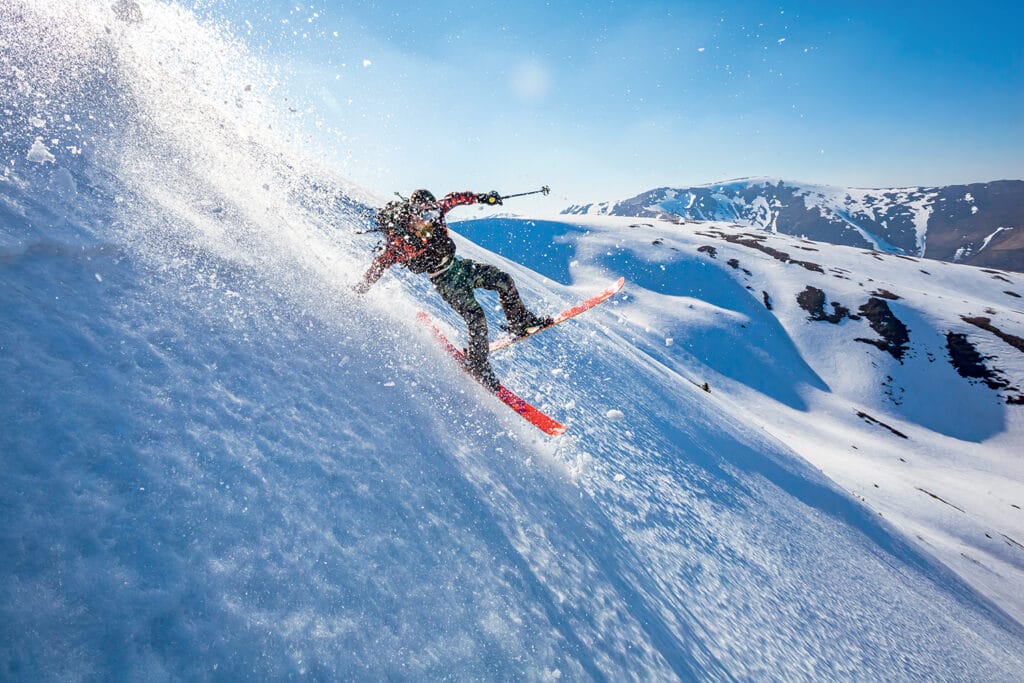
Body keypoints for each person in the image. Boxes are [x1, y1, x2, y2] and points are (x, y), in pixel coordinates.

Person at [354, 189, 551, 391]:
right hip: (445, 281)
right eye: (422, 215)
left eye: (430, 214)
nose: (428, 220)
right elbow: (380, 264)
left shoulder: (437, 211)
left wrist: (483, 198)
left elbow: (456, 198)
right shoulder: (401, 241)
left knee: (503, 280)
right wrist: (362, 287)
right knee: (476, 317)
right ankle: (477, 364)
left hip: (460, 268)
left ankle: (520, 321)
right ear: (412, 213)